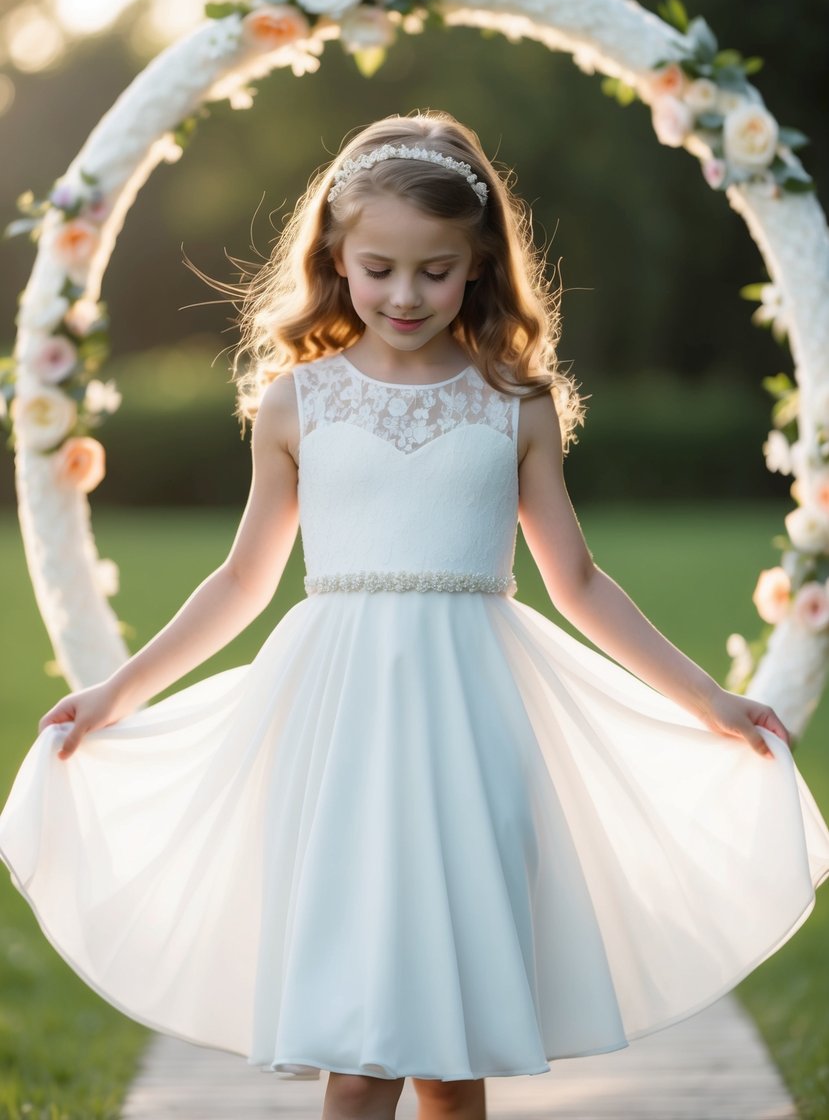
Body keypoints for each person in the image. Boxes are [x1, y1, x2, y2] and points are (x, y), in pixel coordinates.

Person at [2, 108, 828, 1120]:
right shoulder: (298, 404)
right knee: (358, 1052)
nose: (404, 293)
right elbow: (242, 581)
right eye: (379, 267)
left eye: (434, 270)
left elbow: (576, 578)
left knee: (449, 1049)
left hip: (471, 726)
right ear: (336, 259)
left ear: (477, 265)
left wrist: (709, 699)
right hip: (338, 727)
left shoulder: (510, 404)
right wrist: (117, 691)